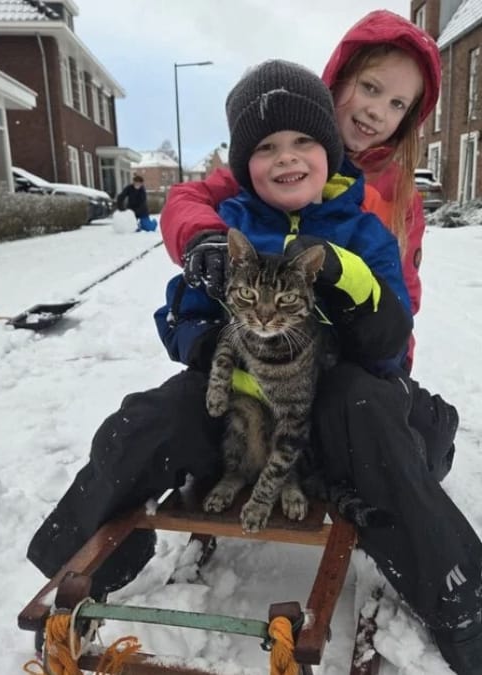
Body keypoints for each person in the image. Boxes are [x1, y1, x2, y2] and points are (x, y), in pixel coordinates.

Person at [26, 56, 482, 673]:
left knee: (366, 405)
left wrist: (356, 291)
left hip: (331, 421)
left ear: (328, 149)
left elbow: (391, 344)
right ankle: (76, 562)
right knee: (148, 418)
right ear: (245, 165)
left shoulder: (364, 227)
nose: (287, 157)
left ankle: (461, 599)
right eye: (266, 147)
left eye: (303, 142)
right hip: (239, 416)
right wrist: (208, 335)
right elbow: (181, 318)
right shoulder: (233, 223)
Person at [162, 10, 458, 479]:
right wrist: (204, 239)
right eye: (370, 87)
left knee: (416, 441)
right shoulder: (275, 159)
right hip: (273, 356)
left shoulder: (399, 194)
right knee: (174, 416)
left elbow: (403, 300)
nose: (378, 112)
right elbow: (188, 200)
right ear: (337, 82)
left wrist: (384, 357)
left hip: (358, 358)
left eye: (400, 104)